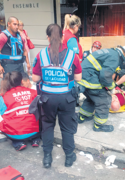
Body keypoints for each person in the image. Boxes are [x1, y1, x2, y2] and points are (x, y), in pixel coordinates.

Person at [32, 24, 82, 168]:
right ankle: (69, 157)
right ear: (62, 37)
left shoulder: (41, 55)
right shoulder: (73, 55)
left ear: (47, 37)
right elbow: (78, 78)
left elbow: (35, 79)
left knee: (47, 127)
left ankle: (47, 157)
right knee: (67, 128)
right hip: (67, 98)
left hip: (47, 99)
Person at [77, 45, 125, 132]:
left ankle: (82, 116)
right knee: (103, 100)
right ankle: (98, 125)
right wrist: (112, 88)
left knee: (91, 98)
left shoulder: (110, 52)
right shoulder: (115, 57)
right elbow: (105, 75)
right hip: (91, 78)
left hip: (83, 77)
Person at [0, 71, 40, 151]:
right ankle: (35, 139)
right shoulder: (33, 92)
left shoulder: (3, 96)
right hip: (35, 131)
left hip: (15, 134)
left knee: (4, 121)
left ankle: (18, 143)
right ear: (22, 81)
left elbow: (2, 114)